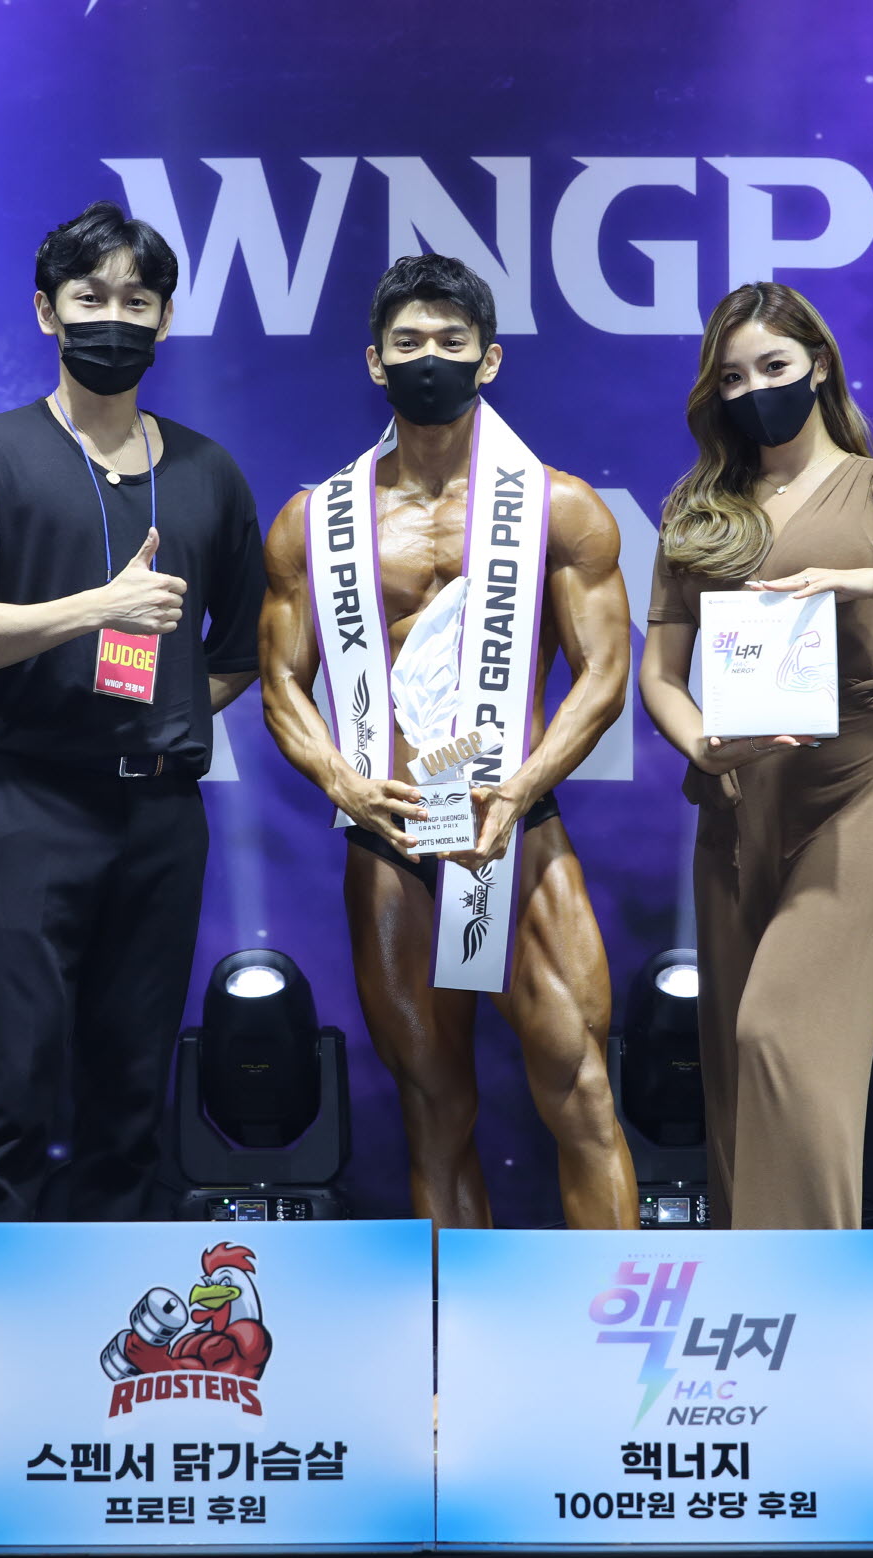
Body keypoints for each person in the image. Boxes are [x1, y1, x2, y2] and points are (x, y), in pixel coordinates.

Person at [259, 254, 638, 1229]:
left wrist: (519, 788)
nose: (428, 356)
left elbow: (603, 674)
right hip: (388, 835)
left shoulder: (558, 507)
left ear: (488, 358)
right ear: (375, 362)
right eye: (408, 342)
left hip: (509, 829)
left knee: (580, 1091)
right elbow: (280, 682)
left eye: (450, 341)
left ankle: (609, 1310)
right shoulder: (315, 520)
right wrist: (340, 778)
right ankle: (456, 1318)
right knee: (434, 1109)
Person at [637, 282, 873, 1229]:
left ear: (818, 365)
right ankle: (759, 1286)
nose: (754, 391)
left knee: (779, 1036)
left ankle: (822, 1281)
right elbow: (660, 675)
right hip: (735, 796)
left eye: (772, 366)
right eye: (733, 378)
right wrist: (703, 745)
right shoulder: (697, 508)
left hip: (852, 784)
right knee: (733, 1069)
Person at [0, 202, 267, 1221]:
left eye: (136, 301)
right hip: (34, 803)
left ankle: (116, 1298)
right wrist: (97, 610)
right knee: (15, 1076)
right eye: (90, 297)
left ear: (165, 321)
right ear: (46, 312)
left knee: (132, 1086)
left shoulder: (207, 472)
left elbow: (238, 654)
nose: (113, 318)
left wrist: (162, 713)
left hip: (160, 815)